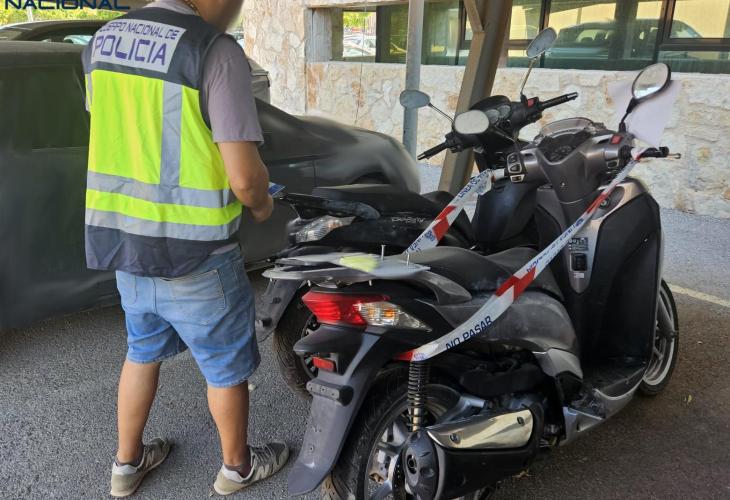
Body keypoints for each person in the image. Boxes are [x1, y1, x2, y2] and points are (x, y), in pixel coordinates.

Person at [81, 0, 288, 496]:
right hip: (198, 254)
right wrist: (263, 207)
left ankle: (126, 465)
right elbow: (244, 177)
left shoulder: (101, 43)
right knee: (225, 369)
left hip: (127, 246)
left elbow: (130, 131)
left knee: (141, 352)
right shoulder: (213, 51)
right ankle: (236, 469)